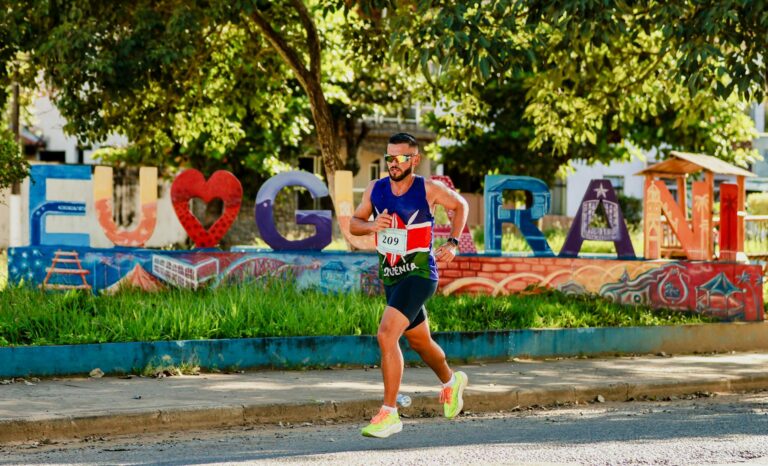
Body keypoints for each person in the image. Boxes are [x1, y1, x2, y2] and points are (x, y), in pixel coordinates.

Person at [350, 132, 469, 439]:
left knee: (386, 334)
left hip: (419, 274)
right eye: (389, 158)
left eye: (401, 158)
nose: (393, 163)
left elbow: (460, 206)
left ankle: (389, 413)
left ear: (414, 160)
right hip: (392, 276)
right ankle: (450, 381)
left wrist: (454, 242)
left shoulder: (427, 188)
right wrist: (372, 225)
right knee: (420, 342)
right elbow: (354, 224)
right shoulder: (375, 190)